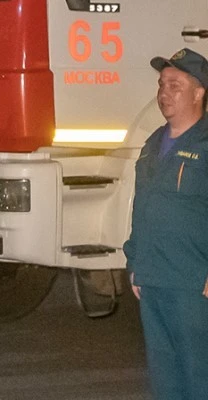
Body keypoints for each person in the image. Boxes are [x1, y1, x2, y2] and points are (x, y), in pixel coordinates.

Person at [124, 47, 208, 400]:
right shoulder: (152, 143)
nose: (163, 93)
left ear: (199, 91)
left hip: (192, 280)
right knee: (164, 375)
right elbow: (141, 208)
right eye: (161, 84)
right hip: (153, 276)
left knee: (197, 373)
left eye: (175, 84)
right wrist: (134, 264)